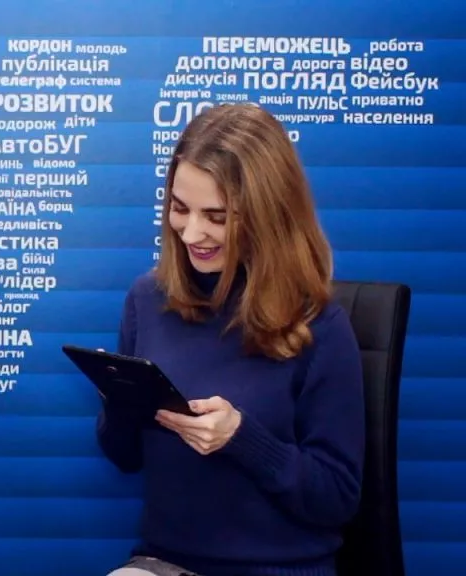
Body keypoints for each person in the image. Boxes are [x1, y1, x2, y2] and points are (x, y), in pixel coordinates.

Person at [98, 103, 365, 576]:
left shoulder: (319, 325)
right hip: (165, 562)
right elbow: (124, 457)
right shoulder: (147, 299)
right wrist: (122, 403)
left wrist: (243, 439)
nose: (192, 233)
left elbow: (337, 497)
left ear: (266, 215)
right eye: (180, 209)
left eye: (217, 217)